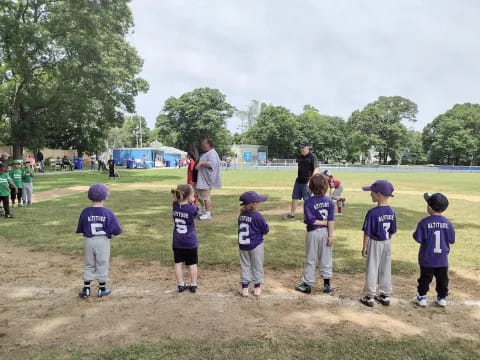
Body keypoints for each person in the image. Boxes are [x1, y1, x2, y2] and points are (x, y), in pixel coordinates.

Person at [76, 184, 122, 298]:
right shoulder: (108, 212)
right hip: (103, 241)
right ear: (105, 197)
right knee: (102, 263)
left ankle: (86, 289)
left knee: (89, 263)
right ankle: (102, 289)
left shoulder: (85, 211)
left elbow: (81, 228)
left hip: (89, 240)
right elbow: (116, 230)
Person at [412, 193, 455, 308]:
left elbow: (418, 238)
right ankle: (442, 298)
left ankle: (421, 297)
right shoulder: (447, 223)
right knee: (442, 280)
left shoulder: (424, 222)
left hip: (427, 258)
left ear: (429, 208)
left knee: (425, 279)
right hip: (442, 259)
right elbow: (451, 239)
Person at [295, 174, 335, 294]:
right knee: (326, 257)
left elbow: (310, 220)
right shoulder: (329, 201)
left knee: (311, 258)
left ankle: (307, 284)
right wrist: (331, 236)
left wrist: (322, 222)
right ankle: (327, 284)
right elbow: (331, 220)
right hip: (326, 233)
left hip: (313, 232)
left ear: (311, 187)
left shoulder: (308, 202)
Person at [359, 180, 397, 307]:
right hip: (386, 242)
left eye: (372, 193)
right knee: (385, 268)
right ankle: (385, 295)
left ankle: (369, 296)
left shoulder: (372, 213)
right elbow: (392, 231)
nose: (370, 195)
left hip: (375, 242)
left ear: (379, 194)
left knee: (372, 268)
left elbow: (367, 232)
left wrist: (364, 246)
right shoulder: (391, 211)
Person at [238, 191, 269, 297]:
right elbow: (265, 230)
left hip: (243, 245)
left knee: (245, 265)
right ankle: (257, 287)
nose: (259, 203)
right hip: (256, 244)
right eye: (258, 202)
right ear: (253, 204)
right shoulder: (257, 216)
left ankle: (245, 288)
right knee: (257, 265)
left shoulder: (241, 215)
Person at [171, 184, 199, 293]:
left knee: (178, 263)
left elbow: (181, 204)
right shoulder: (192, 208)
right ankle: (193, 284)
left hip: (177, 241)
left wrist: (188, 200)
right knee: (192, 264)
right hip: (190, 242)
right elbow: (196, 212)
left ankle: (181, 284)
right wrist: (193, 202)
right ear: (189, 196)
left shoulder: (174, 205)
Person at [284, 142, 319, 220]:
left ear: (307, 148)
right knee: (294, 197)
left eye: (303, 148)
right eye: (300, 148)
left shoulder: (312, 156)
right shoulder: (299, 157)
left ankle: (308, 216)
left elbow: (316, 169)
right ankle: (292, 215)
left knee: (307, 200)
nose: (301, 149)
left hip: (307, 182)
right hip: (298, 180)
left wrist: (311, 180)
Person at [195, 139, 221, 220]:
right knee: (201, 196)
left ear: (209, 144)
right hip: (202, 179)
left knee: (206, 197)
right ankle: (204, 210)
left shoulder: (212, 153)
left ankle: (208, 213)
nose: (202, 146)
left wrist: (201, 163)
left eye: (204, 144)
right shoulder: (208, 153)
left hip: (207, 179)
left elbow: (212, 164)